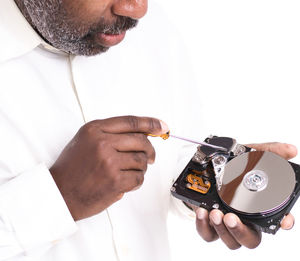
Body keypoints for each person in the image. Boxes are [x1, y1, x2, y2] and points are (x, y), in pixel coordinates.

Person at [0, 0, 296, 260]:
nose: (138, 8)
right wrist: (60, 196)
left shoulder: (151, 28)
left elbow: (173, 157)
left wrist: (213, 182)